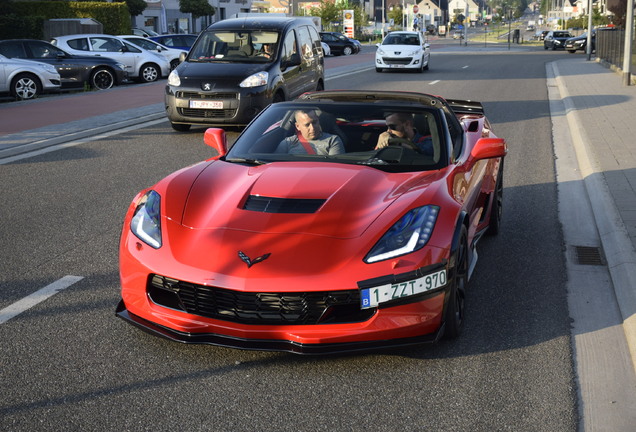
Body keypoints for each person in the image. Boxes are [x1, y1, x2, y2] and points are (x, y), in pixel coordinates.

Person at [277, 110, 345, 155]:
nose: (312, 128)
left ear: (318, 120)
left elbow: (334, 170)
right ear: (298, 126)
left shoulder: (333, 141)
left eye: (314, 122)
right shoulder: (287, 143)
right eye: (307, 125)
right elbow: (276, 167)